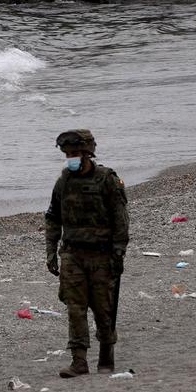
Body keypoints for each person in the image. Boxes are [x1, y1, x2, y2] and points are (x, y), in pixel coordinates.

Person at [44, 130, 128, 378]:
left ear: (87, 153)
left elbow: (120, 218)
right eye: (68, 154)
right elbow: (53, 218)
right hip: (72, 254)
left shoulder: (106, 180)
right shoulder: (64, 182)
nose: (71, 158)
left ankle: (106, 351)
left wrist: (119, 250)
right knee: (75, 308)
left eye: (75, 154)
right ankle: (79, 360)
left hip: (102, 256)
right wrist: (51, 252)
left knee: (103, 308)